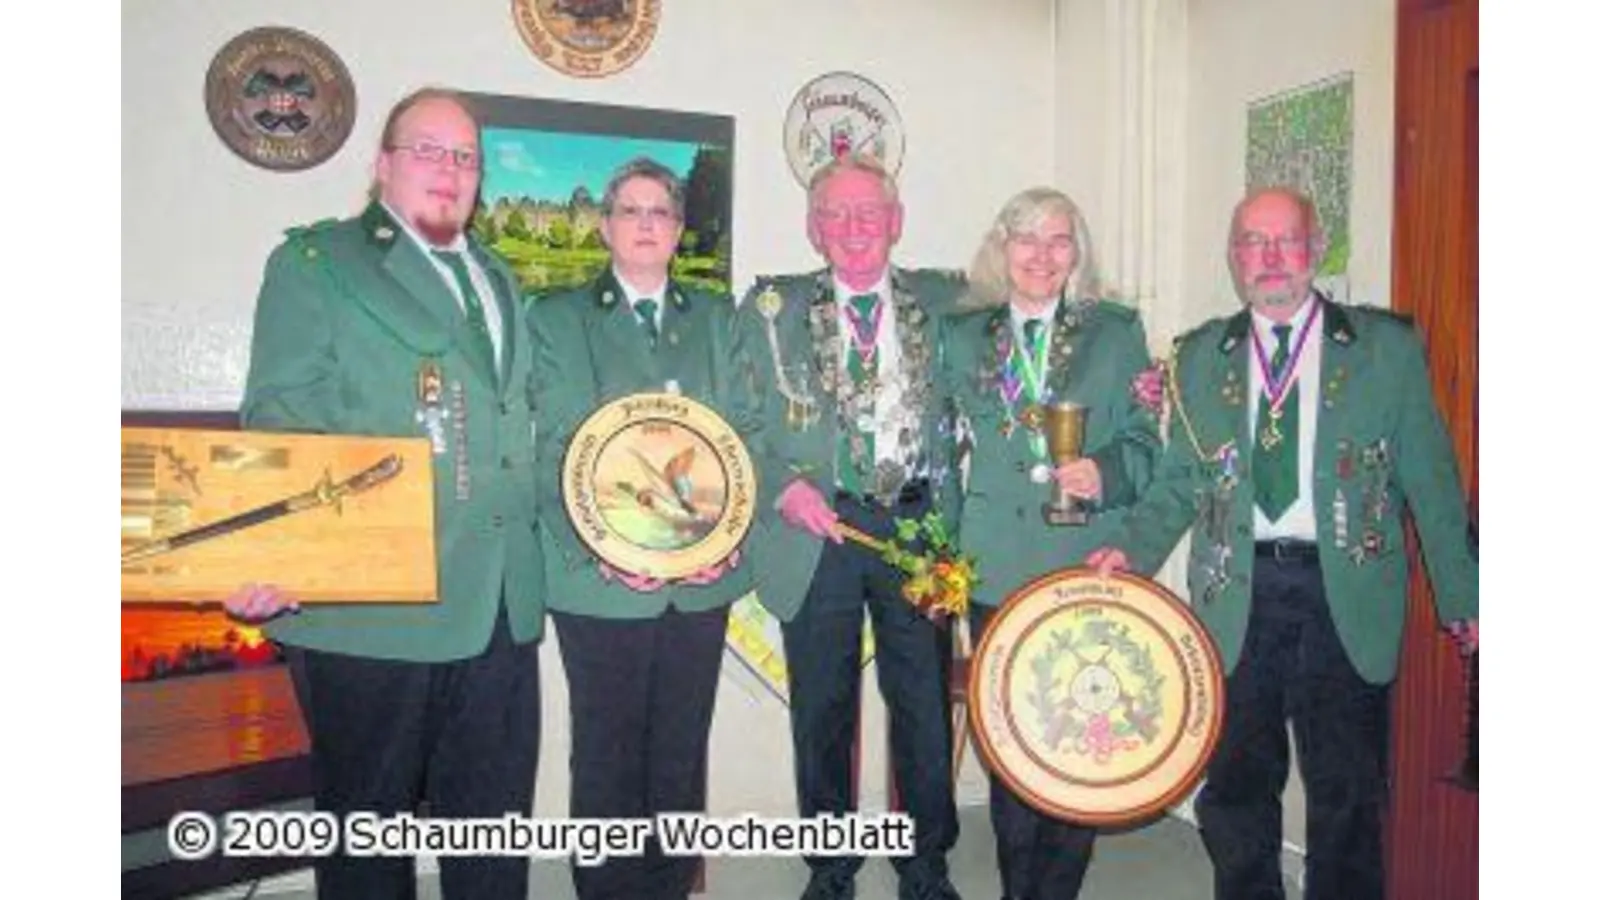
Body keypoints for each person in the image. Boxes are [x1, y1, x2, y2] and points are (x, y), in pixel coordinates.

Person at [1087, 186, 1479, 900]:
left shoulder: (1384, 347)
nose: (1269, 259)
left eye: (1285, 240)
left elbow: (1432, 477)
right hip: (1235, 592)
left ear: (1315, 248)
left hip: (1345, 593)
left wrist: (1465, 595)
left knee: (1348, 789)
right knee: (1236, 784)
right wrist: (1129, 552)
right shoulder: (1201, 355)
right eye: (1252, 243)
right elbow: (1180, 480)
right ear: (1234, 256)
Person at [226, 87, 545, 900]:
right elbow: (280, 418)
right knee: (367, 846)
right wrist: (272, 554)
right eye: (430, 150)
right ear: (382, 166)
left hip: (501, 605)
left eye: (466, 157)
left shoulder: (500, 277)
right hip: (375, 609)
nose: (451, 170)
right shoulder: (321, 263)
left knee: (494, 836)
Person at [737, 154, 966, 900]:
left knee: (924, 709)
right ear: (812, 228)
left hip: (917, 533)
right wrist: (782, 486)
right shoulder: (770, 307)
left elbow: (1033, 330)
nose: (853, 228)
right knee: (823, 710)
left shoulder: (947, 301)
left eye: (869, 213)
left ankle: (924, 866)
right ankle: (830, 870)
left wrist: (1139, 380)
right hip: (819, 528)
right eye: (834, 214)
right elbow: (735, 417)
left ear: (896, 222)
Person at [529, 156, 754, 900]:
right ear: (606, 226)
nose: (647, 224)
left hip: (700, 582)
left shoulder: (719, 318)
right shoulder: (558, 318)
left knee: (681, 750)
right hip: (601, 583)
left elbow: (742, 438)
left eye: (661, 211)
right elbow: (561, 444)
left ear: (681, 228)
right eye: (631, 211)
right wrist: (607, 551)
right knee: (606, 751)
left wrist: (725, 545)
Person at [934, 187, 1163, 900]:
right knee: (1014, 745)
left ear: (1078, 252)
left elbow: (1144, 446)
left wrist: (1109, 473)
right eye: (1026, 239)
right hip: (994, 561)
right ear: (1002, 248)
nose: (1041, 255)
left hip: (1085, 561)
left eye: (1059, 240)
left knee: (1079, 737)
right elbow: (933, 448)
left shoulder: (1116, 332)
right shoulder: (961, 334)